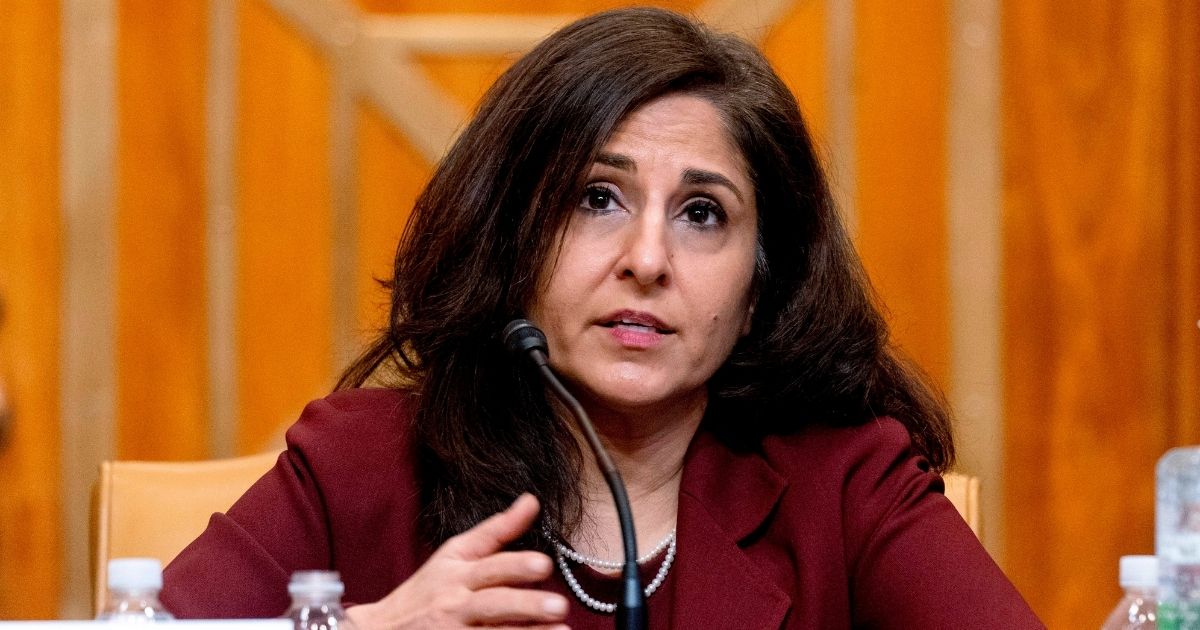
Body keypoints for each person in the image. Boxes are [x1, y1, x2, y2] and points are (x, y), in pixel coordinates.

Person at [162, 7, 1043, 629]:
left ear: (760, 287)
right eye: (597, 198)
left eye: (703, 214)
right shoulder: (359, 467)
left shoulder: (844, 485)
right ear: (515, 238)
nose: (647, 260)